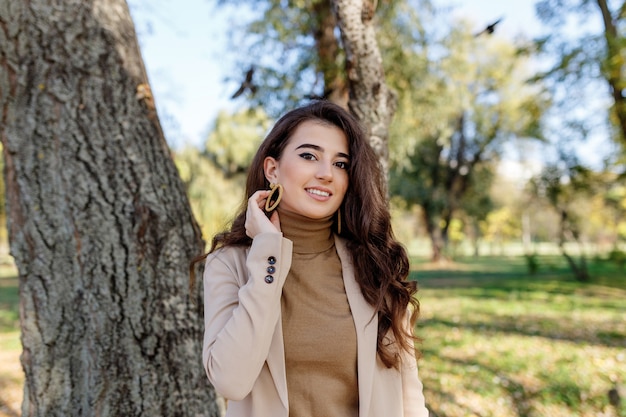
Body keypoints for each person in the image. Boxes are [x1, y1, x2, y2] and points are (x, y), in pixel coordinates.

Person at [199, 101, 428, 417]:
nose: (326, 174)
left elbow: (409, 394)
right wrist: (268, 250)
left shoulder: (373, 262)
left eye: (341, 164)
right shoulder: (230, 264)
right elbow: (230, 381)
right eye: (309, 156)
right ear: (272, 169)